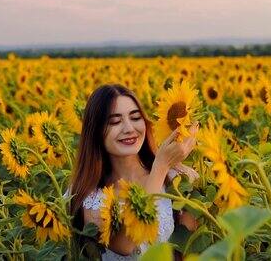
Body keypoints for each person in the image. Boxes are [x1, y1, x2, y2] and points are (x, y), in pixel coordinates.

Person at [67, 84, 199, 260]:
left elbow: (187, 248)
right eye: (115, 121)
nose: (129, 128)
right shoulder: (89, 194)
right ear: (96, 131)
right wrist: (160, 167)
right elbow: (125, 244)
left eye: (136, 118)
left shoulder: (175, 180)